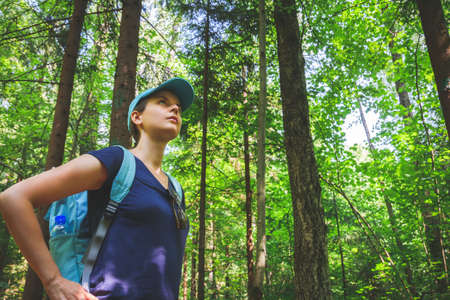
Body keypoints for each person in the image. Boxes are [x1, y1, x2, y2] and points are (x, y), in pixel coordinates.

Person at [0, 77, 194, 299]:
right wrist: (53, 281)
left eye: (178, 106)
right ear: (137, 117)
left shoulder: (176, 189)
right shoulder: (117, 161)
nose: (175, 108)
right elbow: (14, 198)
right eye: (162, 102)